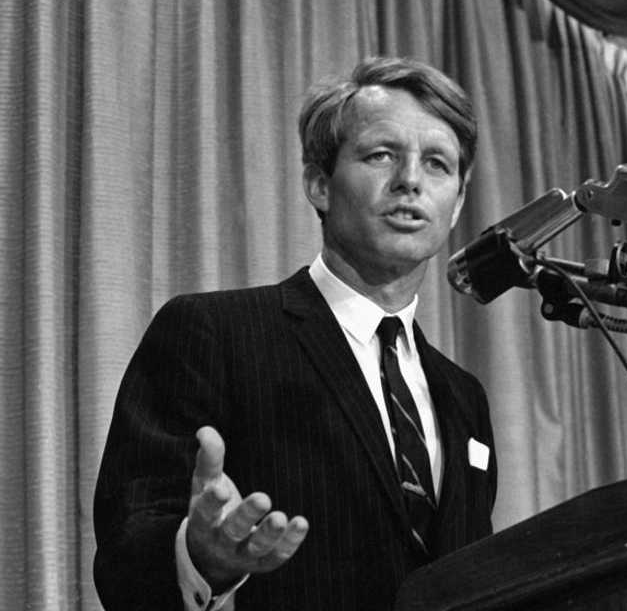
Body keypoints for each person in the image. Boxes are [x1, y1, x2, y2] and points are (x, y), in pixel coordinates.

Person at [94, 56, 497, 610]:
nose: (410, 181)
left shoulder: (463, 396)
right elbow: (125, 548)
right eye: (382, 155)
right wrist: (201, 558)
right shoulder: (213, 333)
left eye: (437, 164)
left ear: (456, 206)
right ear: (318, 184)